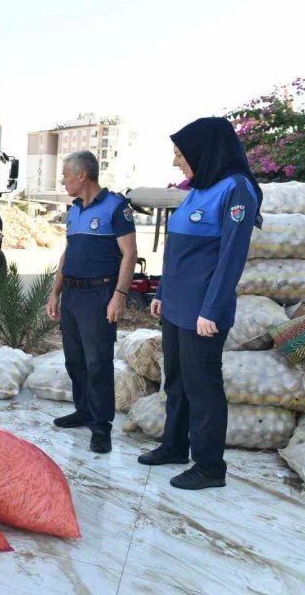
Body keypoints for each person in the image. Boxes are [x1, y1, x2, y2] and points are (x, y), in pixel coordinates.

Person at [139, 117, 262, 490]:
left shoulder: (237, 189)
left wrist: (212, 309)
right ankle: (175, 445)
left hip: (202, 312)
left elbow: (231, 257)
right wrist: (162, 292)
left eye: (180, 154)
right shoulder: (198, 189)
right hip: (177, 306)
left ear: (204, 152)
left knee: (202, 386)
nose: (176, 162)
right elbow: (177, 249)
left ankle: (209, 466)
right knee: (176, 380)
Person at [47, 151, 138, 454]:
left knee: (98, 362)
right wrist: (55, 292)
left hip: (99, 295)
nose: (63, 181)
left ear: (82, 175)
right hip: (72, 295)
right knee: (75, 359)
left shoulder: (116, 207)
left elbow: (129, 254)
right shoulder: (74, 210)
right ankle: (84, 411)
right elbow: (68, 253)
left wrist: (119, 295)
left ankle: (101, 426)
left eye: (65, 175)